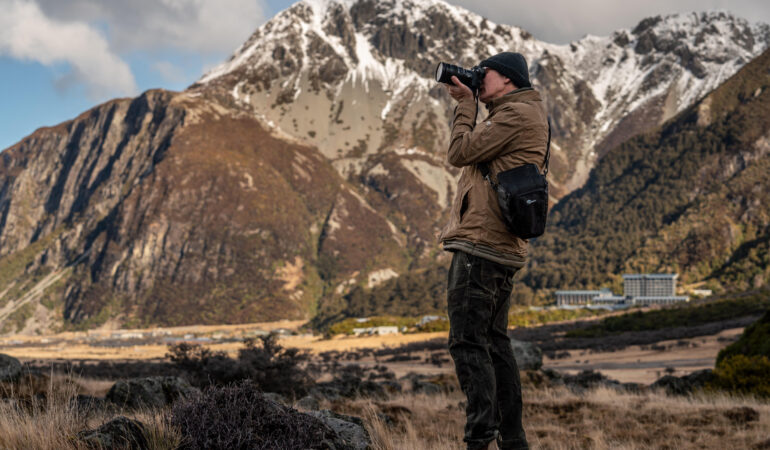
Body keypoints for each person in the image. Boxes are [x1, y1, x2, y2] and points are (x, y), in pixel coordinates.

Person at [439, 52, 548, 450]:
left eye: (487, 73)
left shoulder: (515, 115)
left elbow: (460, 153)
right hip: (497, 245)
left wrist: (466, 106)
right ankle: (511, 440)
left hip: (482, 246)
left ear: (509, 79)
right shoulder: (518, 113)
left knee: (468, 342)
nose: (480, 78)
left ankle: (480, 439)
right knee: (494, 343)